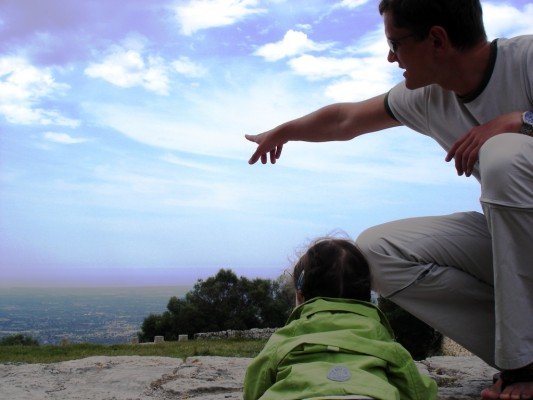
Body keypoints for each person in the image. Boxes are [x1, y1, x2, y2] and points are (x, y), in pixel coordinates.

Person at [245, 1, 533, 399]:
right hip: (515, 240)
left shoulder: (527, 60)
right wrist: (285, 131)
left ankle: (523, 366)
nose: (390, 56)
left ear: (437, 40)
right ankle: (522, 353)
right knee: (375, 251)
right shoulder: (430, 96)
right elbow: (347, 119)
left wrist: (522, 121)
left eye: (396, 44)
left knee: (503, 154)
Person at [243, 238, 437, 400]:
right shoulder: (379, 335)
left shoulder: (285, 338)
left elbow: (254, 386)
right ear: (367, 296)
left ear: (300, 297)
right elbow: (419, 391)